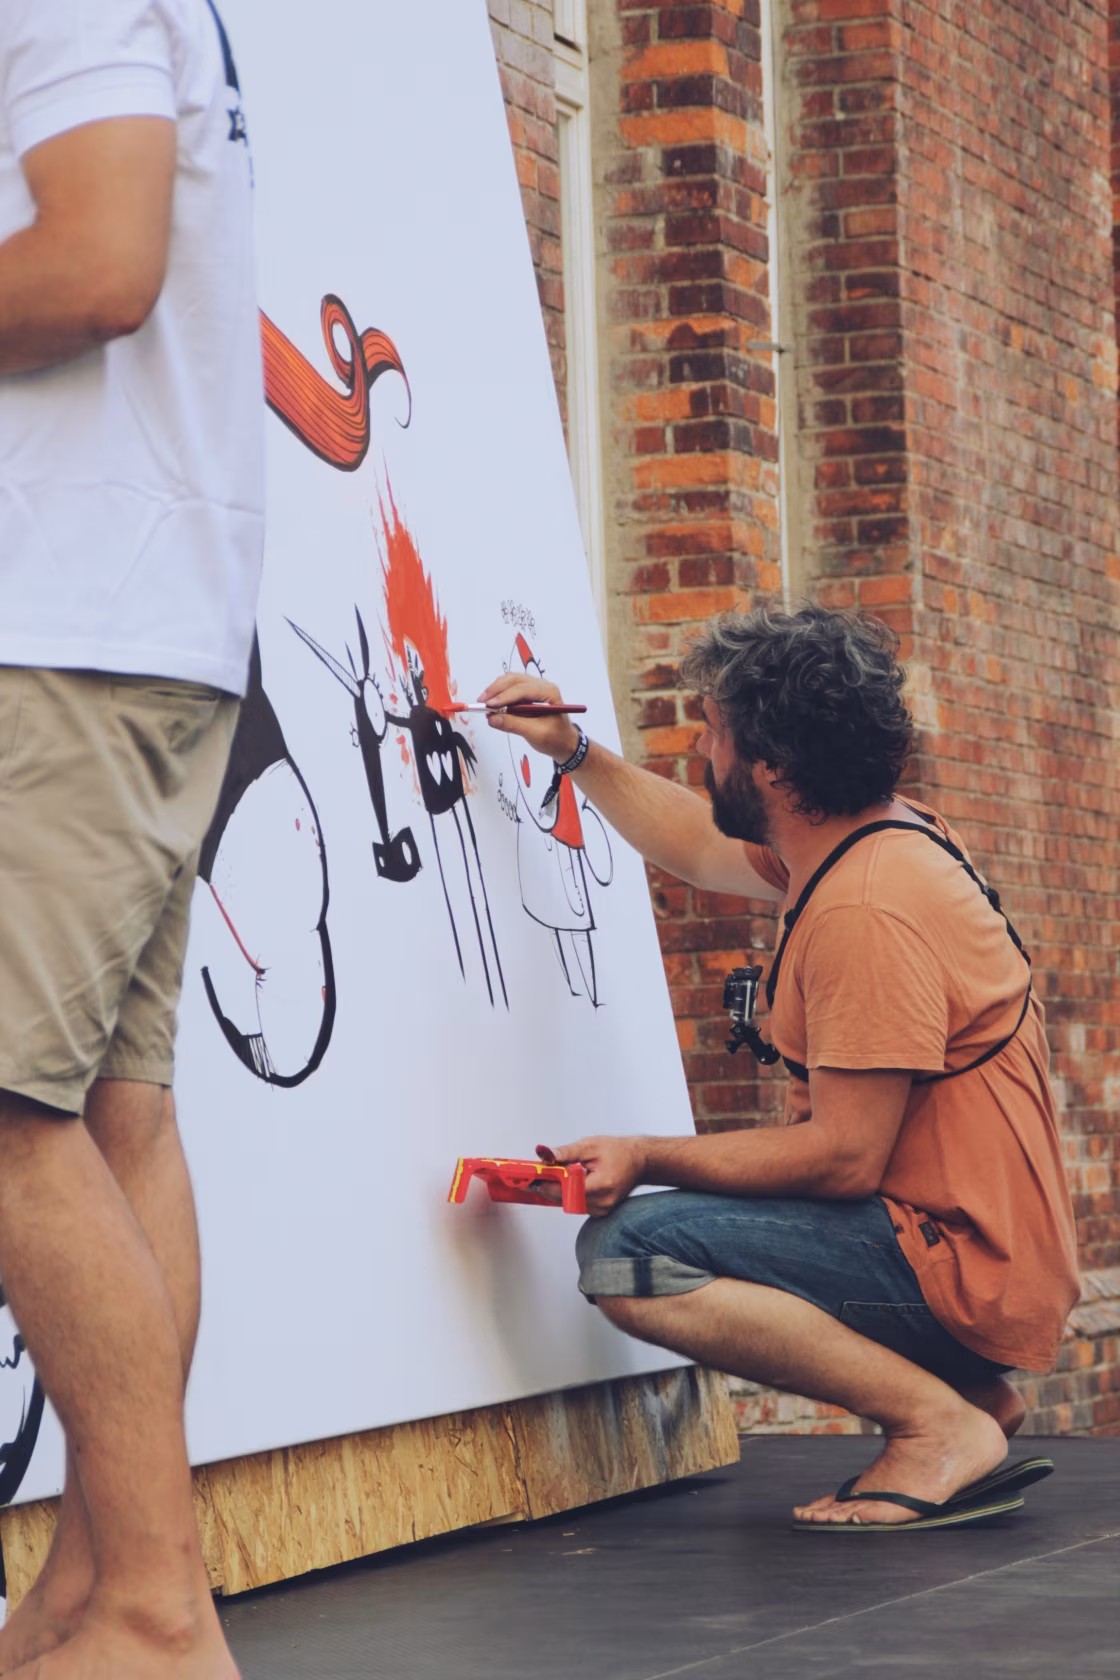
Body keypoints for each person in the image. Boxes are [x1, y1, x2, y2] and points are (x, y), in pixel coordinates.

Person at [481, 605, 1079, 1532]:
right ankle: (966, 1396)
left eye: (713, 729)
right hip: (974, 1244)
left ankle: (936, 1424)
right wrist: (571, 750)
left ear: (771, 764)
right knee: (665, 1231)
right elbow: (696, 844)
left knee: (629, 1253)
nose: (699, 745)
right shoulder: (865, 838)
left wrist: (646, 1155)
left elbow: (845, 1159)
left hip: (962, 1262)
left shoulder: (866, 911)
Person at [0, 1, 262, 1673]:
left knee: (12, 1117)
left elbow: (100, 264)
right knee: (115, 1118)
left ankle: (154, 1615)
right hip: (136, 616)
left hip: (61, 619)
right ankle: (95, 1600)